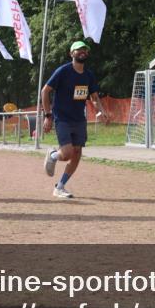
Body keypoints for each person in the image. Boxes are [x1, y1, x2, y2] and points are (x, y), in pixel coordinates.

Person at [41, 40, 106, 198]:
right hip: (62, 117)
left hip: (79, 120)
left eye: (84, 49)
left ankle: (60, 186)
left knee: (77, 153)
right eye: (78, 49)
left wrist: (102, 111)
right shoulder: (63, 71)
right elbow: (45, 91)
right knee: (67, 153)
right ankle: (53, 155)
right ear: (71, 54)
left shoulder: (88, 75)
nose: (82, 51)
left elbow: (94, 97)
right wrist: (48, 116)